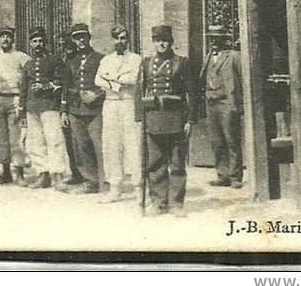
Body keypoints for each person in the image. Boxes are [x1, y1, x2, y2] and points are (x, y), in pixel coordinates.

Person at [134, 24, 198, 216]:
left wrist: (190, 120)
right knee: (155, 163)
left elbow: (192, 93)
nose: (162, 44)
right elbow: (139, 91)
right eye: (158, 40)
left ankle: (176, 204)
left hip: (176, 119)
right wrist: (139, 118)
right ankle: (159, 203)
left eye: (165, 40)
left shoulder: (182, 63)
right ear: (153, 42)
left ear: (171, 42)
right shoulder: (145, 63)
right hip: (153, 119)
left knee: (177, 164)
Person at [95, 25, 142, 202]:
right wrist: (115, 84)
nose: (120, 41)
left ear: (128, 39)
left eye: (123, 38)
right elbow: (97, 79)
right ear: (112, 40)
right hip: (110, 104)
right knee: (111, 145)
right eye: (117, 38)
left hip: (128, 104)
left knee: (133, 145)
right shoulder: (106, 59)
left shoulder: (136, 59)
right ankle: (115, 188)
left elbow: (133, 79)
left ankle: (139, 187)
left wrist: (111, 77)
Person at [58, 23, 106, 195]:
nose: (81, 41)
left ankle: (104, 180)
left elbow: (107, 84)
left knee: (99, 145)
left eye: (83, 37)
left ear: (89, 38)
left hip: (95, 109)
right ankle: (90, 181)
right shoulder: (71, 61)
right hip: (75, 109)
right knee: (80, 145)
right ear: (73, 40)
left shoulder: (100, 58)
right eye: (77, 38)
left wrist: (97, 94)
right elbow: (65, 86)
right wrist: (64, 110)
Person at [18, 26, 69, 189]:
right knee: (35, 142)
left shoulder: (55, 60)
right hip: (32, 107)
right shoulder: (28, 64)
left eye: (41, 41)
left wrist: (46, 86)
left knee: (54, 140)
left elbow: (62, 82)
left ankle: (58, 176)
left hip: (50, 106)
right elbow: (23, 88)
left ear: (45, 43)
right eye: (35, 41)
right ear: (31, 44)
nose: (38, 44)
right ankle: (43, 174)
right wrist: (22, 110)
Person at [200, 32, 243, 189]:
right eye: (211, 38)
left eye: (217, 38)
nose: (214, 42)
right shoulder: (208, 57)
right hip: (211, 103)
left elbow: (242, 79)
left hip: (227, 102)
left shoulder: (233, 56)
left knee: (231, 139)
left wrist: (238, 103)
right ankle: (222, 175)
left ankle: (235, 176)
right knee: (216, 141)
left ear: (224, 40)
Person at [0, 25, 29, 185]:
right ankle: (5, 172)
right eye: (2, 36)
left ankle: (19, 173)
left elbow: (28, 78)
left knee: (16, 138)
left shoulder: (22, 57)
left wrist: (23, 104)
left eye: (8, 36)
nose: (5, 39)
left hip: (15, 99)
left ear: (13, 39)